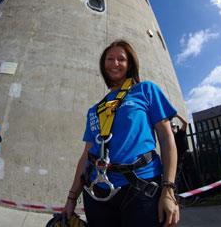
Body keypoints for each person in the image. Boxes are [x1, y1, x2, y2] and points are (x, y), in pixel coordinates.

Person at [64, 39, 180, 227]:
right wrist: (71, 198)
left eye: (121, 59)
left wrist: (168, 190)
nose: (115, 63)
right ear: (103, 64)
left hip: (140, 189)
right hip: (97, 193)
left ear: (130, 64)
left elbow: (167, 139)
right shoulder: (95, 110)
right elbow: (86, 155)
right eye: (110, 59)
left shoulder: (145, 90)